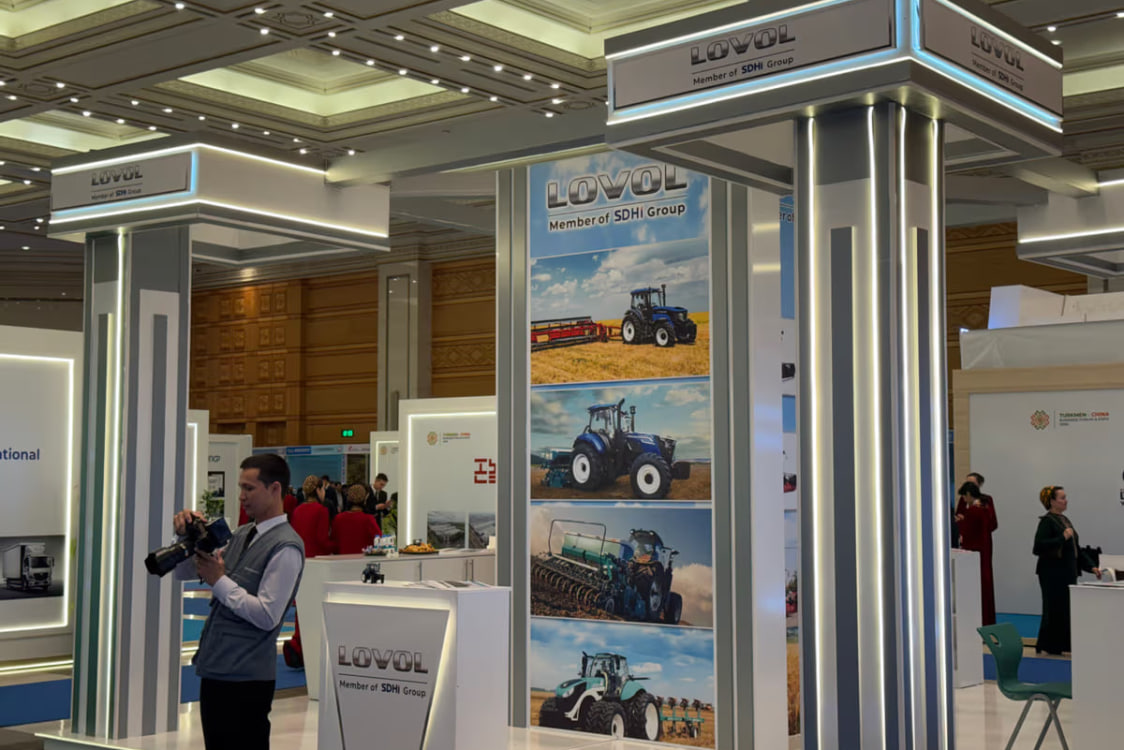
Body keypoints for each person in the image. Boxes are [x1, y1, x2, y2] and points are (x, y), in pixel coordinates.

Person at [174, 453, 305, 750]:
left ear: (274, 489)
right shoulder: (243, 533)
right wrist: (185, 539)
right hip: (217, 669)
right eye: (241, 488)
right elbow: (183, 573)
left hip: (247, 678)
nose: (242, 496)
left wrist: (219, 580)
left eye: (249, 488)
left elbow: (268, 616)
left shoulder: (286, 547)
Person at [1033, 485, 1101, 655]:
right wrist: (1062, 537)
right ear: (1052, 501)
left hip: (1067, 572)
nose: (1066, 501)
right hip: (1052, 573)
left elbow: (1075, 549)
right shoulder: (1047, 521)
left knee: (1065, 609)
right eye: (1062, 498)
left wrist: (1091, 566)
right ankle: (1051, 645)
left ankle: (1062, 644)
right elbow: (1038, 547)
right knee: (1054, 608)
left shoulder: (1065, 520)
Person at [955, 481, 998, 625]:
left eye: (964, 497)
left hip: (974, 552)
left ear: (968, 494)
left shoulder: (973, 510)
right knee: (985, 584)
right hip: (985, 549)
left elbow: (968, 533)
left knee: (976, 586)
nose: (964, 500)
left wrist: (960, 523)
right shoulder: (985, 507)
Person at [333, 485, 382, 554]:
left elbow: (334, 542)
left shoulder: (338, 518)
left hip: (342, 558)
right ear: (365, 499)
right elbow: (379, 539)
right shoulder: (368, 519)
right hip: (363, 558)